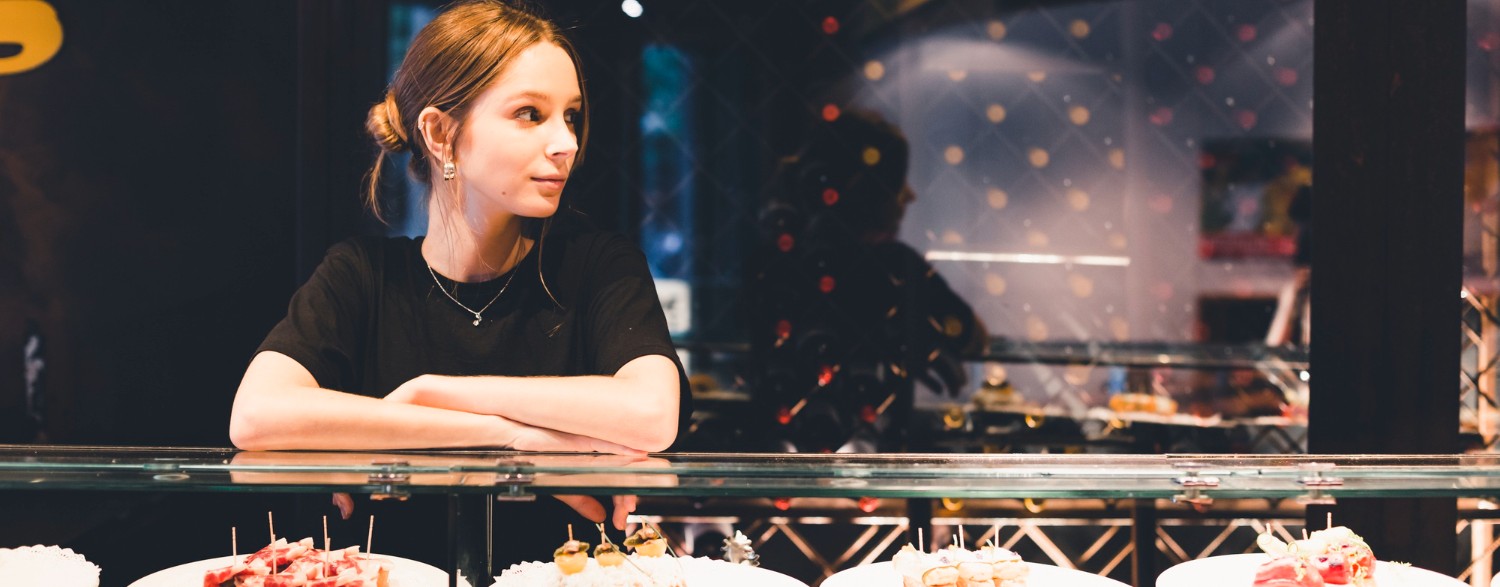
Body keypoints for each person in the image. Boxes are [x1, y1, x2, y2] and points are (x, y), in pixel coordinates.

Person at [227, 0, 690, 565]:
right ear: (442, 134)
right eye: (529, 113)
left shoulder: (596, 264)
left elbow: (651, 415)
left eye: (569, 115)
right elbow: (256, 417)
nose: (565, 141)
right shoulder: (362, 275)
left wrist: (432, 392)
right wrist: (507, 436)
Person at [748, 109, 985, 453]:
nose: (909, 196)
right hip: (876, 468)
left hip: (777, 464)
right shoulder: (897, 267)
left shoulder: (769, 264)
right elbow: (973, 338)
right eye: (897, 182)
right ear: (872, 191)